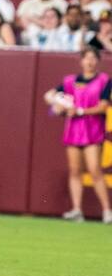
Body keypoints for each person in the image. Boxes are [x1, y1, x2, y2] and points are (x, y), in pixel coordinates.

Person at [44, 47, 112, 224]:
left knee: (95, 170)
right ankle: (76, 210)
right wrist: (57, 104)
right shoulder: (69, 82)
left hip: (93, 131)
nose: (89, 62)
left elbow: (103, 106)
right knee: (75, 171)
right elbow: (49, 96)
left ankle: (107, 211)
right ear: (81, 61)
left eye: (93, 58)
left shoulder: (104, 81)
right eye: (86, 58)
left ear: (98, 61)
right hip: (73, 132)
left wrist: (80, 111)